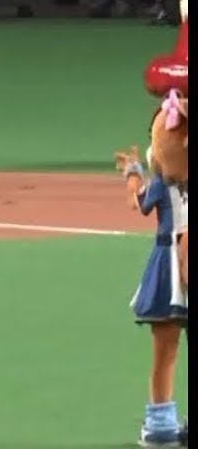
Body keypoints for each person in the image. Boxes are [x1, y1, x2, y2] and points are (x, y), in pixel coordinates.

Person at [114, 91, 189, 448]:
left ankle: (160, 425)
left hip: (167, 269)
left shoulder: (161, 184)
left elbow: (138, 202)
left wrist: (132, 171)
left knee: (164, 352)